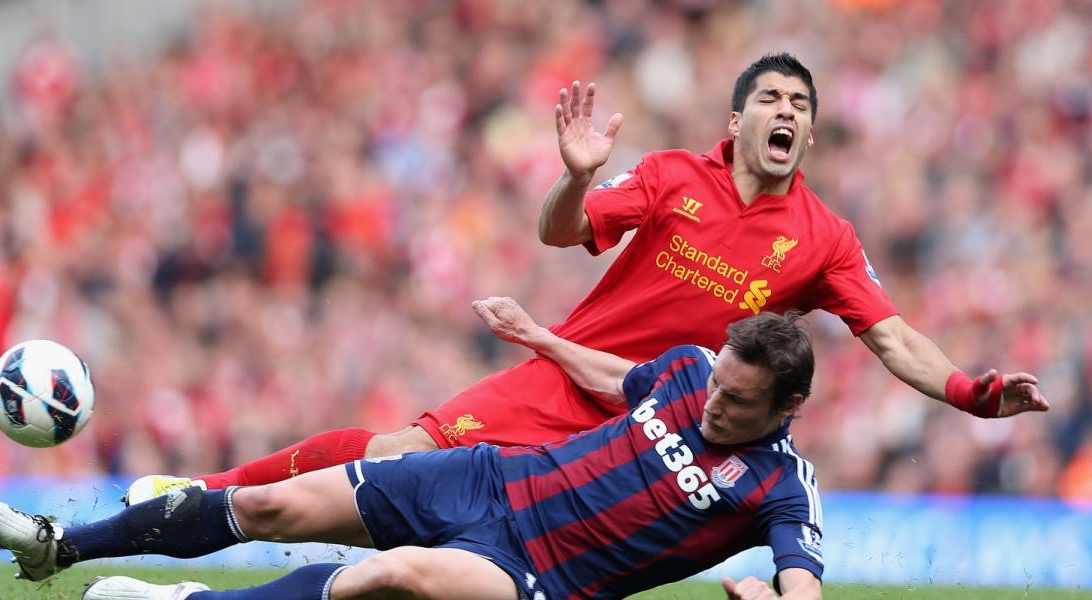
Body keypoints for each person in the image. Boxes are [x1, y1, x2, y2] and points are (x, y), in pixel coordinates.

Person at [123, 52, 1048, 505]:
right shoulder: (670, 176)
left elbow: (891, 335)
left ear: (809, 136)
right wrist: (572, 171)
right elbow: (559, 231)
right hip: (566, 380)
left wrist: (970, 392)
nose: (787, 111)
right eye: (771, 97)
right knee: (399, 461)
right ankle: (204, 494)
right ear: (738, 117)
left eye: (801, 106)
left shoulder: (823, 238)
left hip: (661, 431)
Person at [0, 299, 827, 600]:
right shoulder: (685, 372)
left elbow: (802, 583)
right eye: (716, 382)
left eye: (736, 402)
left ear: (787, 406)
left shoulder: (782, 489)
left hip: (541, 576)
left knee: (390, 577)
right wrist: (540, 337)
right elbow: (625, 380)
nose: (712, 402)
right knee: (275, 502)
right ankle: (57, 547)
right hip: (488, 479)